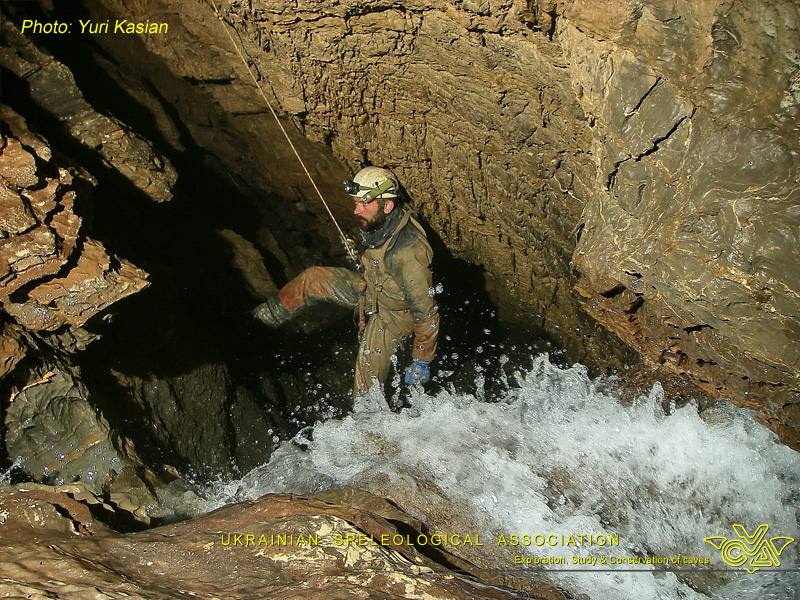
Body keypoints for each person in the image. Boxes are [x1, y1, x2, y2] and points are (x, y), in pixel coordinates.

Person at [253, 166, 439, 397]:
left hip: (396, 313)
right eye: (355, 203)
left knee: (366, 377)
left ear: (388, 206)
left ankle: (369, 422)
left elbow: (425, 312)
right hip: (372, 288)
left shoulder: (409, 251)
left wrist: (422, 358)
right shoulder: (383, 221)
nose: (356, 211)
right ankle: (258, 323)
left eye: (363, 204)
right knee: (313, 278)